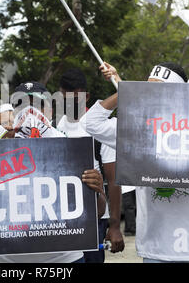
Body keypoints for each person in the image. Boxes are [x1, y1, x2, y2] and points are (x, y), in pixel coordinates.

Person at [0, 13, 106, 263]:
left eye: (37, 104)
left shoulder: (72, 147)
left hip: (64, 260)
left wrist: (97, 189)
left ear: (50, 109)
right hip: (5, 263)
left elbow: (97, 211)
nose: (29, 111)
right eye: (21, 104)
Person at [85, 61, 189, 263]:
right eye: (147, 87)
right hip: (156, 251)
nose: (151, 93)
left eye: (158, 88)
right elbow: (91, 122)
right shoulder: (135, 128)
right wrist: (127, 91)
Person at [57, 68, 124, 262]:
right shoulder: (55, 126)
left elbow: (113, 181)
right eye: (64, 96)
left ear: (86, 97)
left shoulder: (101, 130)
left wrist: (114, 226)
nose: (69, 102)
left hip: (95, 220)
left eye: (74, 97)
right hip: (64, 220)